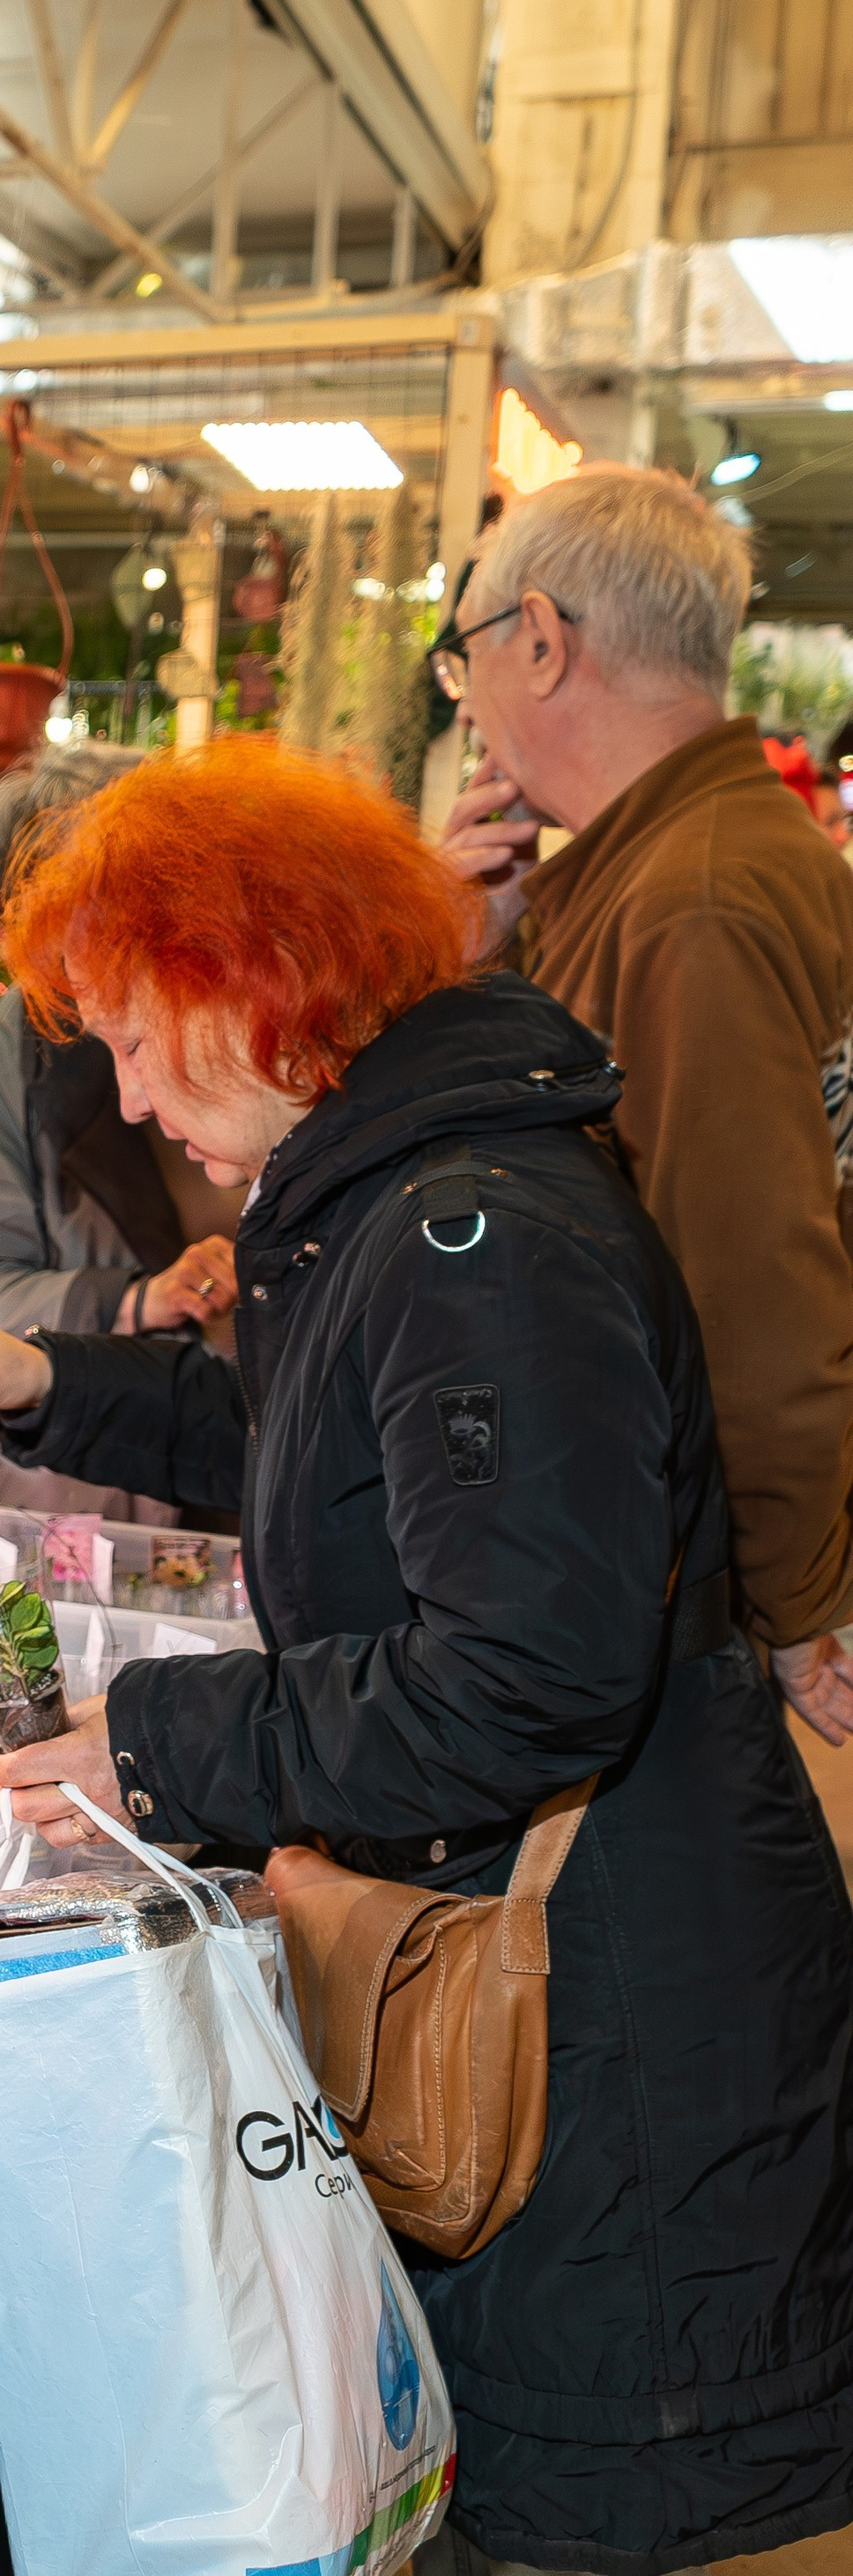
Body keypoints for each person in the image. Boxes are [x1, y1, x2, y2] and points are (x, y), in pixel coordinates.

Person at [0, 744, 853, 2576]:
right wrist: (56, 1377)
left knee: (606, 2572)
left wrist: (163, 1736)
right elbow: (321, 1454)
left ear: (259, 985)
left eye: (139, 1034)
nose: (128, 1093)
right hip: (548, 1952)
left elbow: (518, 1666)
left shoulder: (468, 1227)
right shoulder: (396, 1185)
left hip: (613, 2000)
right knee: (518, 2494)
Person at [437, 466, 853, 1751]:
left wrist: (798, 1601)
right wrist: (486, 948)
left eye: (464, 656)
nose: (468, 700)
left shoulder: (689, 904)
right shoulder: (693, 864)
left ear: (540, 639)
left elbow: (751, 1292)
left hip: (708, 1593)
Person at [0, 750, 241, 1517]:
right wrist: (128, 1301)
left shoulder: (247, 1001)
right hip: (114, 1483)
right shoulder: (15, 1059)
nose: (136, 1098)